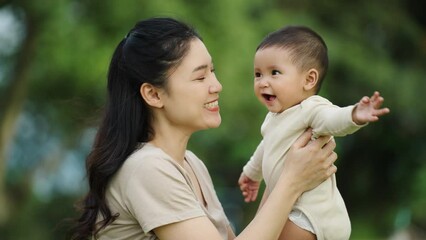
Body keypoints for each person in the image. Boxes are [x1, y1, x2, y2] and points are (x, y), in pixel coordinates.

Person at [70, 18, 339, 240]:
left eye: (213, 71)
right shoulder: (147, 168)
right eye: (200, 77)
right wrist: (291, 182)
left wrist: (285, 165)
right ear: (153, 94)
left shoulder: (191, 165)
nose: (216, 85)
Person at [238, 25, 390, 240]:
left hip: (309, 215)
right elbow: (266, 147)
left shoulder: (311, 108)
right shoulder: (275, 118)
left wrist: (354, 115)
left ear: (309, 80)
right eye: (257, 74)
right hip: (292, 208)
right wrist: (252, 173)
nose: (263, 82)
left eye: (275, 73)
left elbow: (332, 119)